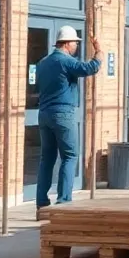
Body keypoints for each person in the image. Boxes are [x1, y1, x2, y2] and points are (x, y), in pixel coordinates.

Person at [35, 26, 102, 218]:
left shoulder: (43, 63)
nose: (76, 46)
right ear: (66, 43)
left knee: (46, 158)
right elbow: (91, 68)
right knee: (70, 156)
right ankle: (63, 202)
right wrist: (99, 51)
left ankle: (41, 203)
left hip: (44, 113)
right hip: (63, 113)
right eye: (75, 43)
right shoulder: (66, 61)